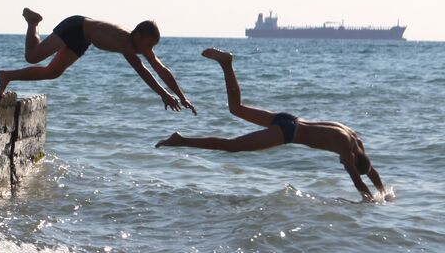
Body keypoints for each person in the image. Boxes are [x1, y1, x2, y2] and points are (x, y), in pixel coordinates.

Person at [157, 49, 386, 201]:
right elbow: (359, 181)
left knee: (236, 107)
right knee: (232, 145)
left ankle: (226, 64)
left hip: (290, 118)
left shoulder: (354, 138)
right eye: (350, 164)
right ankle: (181, 140)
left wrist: (384, 192)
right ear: (355, 161)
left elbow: (371, 171)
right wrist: (372, 202)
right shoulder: (348, 151)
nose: (345, 164)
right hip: (289, 132)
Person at [0, 8, 197, 112]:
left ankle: (7, 76)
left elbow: (161, 70)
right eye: (149, 45)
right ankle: (33, 22)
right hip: (75, 27)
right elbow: (142, 70)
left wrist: (181, 96)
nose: (150, 50)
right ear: (139, 36)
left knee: (53, 72)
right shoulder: (125, 42)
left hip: (84, 39)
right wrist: (163, 95)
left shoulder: (140, 45)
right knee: (32, 56)